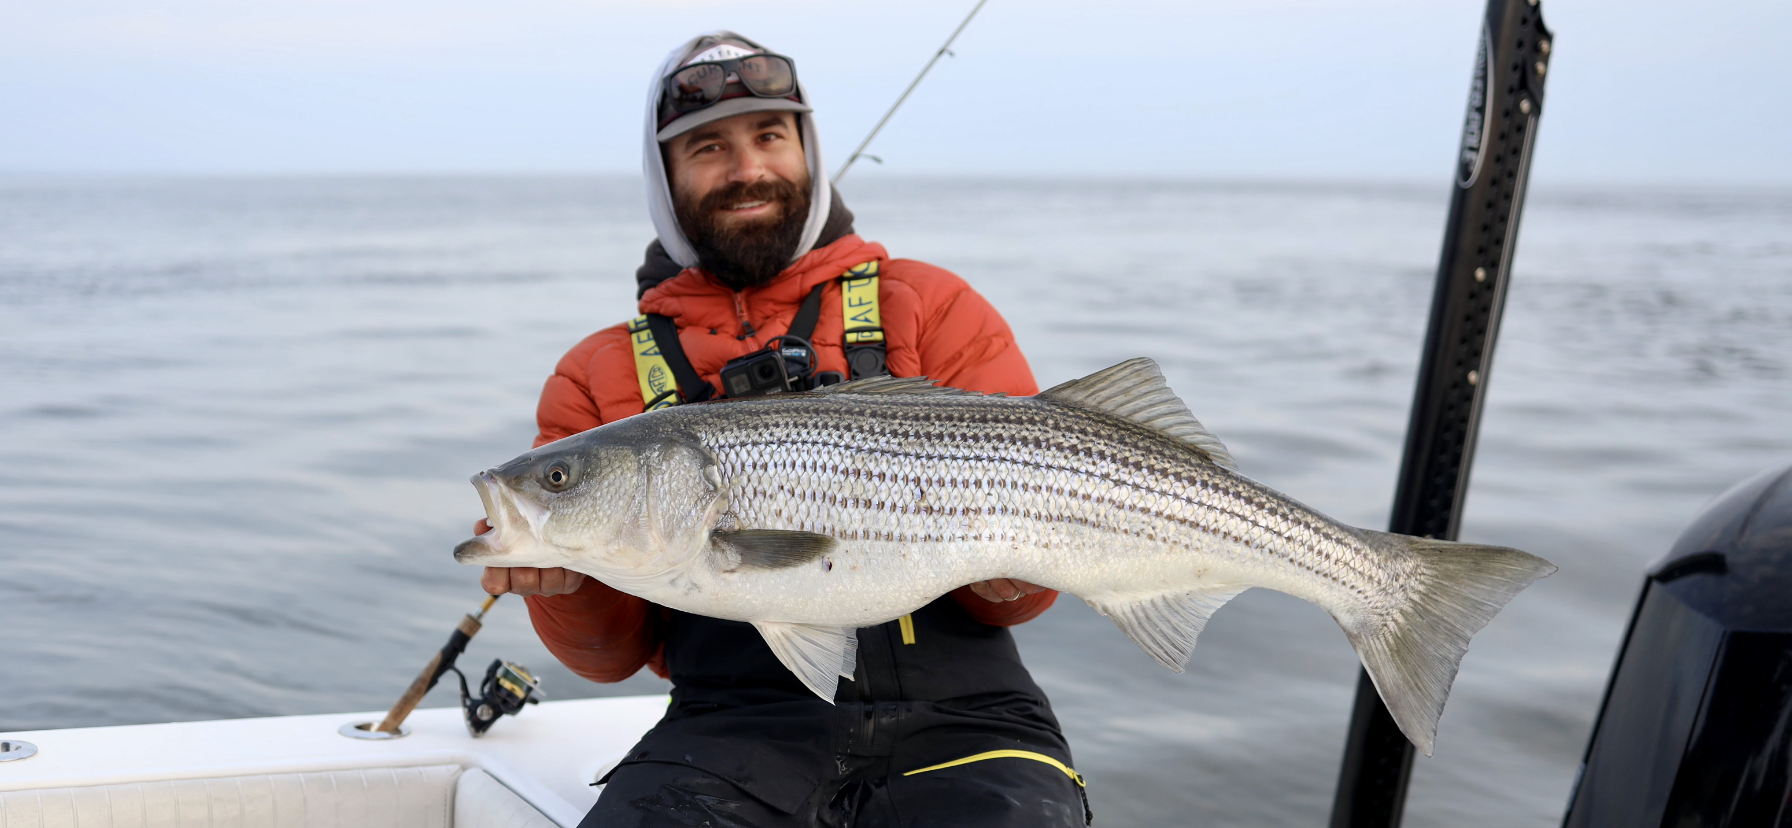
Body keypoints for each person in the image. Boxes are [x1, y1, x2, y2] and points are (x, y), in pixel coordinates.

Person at [477, 31, 1087, 827]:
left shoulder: (928, 305)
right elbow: (610, 658)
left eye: (770, 135)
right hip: (729, 737)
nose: (748, 169)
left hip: (970, 726)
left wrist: (1019, 566)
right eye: (708, 147)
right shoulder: (597, 374)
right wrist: (561, 588)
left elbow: (1018, 605)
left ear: (808, 149)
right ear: (665, 178)